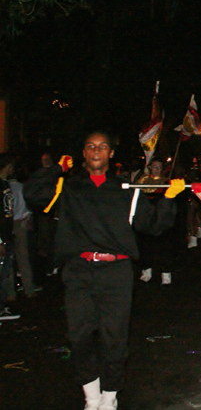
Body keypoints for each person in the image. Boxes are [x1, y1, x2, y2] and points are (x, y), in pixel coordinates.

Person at [24, 131, 184, 410]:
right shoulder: (69, 187)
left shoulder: (126, 190)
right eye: (90, 146)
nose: (96, 150)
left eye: (102, 146)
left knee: (114, 336)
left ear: (111, 154)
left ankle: (110, 395)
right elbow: (34, 194)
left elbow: (155, 226)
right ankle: (91, 395)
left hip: (116, 272)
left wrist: (169, 198)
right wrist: (54, 170)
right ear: (83, 154)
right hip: (78, 270)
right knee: (79, 335)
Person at [0, 153, 20, 321]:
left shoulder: (5, 184)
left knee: (5, 273)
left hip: (7, 233)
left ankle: (2, 306)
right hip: (1, 237)